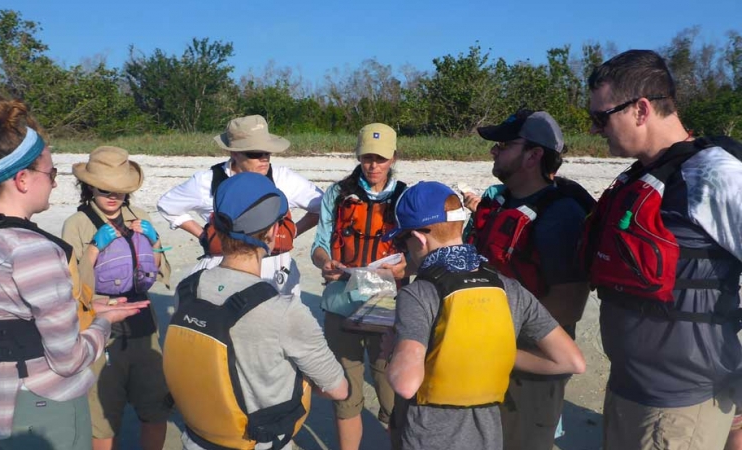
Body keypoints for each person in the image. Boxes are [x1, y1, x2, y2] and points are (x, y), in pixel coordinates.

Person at [0, 96, 148, 449]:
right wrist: (103, 323)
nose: (54, 183)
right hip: (41, 408)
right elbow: (69, 359)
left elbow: (6, 321)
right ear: (22, 179)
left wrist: (91, 311)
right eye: (51, 173)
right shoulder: (32, 250)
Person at [580, 49, 742, 450]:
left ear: (641, 109)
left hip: (680, 404)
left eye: (601, 118)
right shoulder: (642, 175)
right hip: (629, 388)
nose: (596, 130)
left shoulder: (714, 175)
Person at [384, 181, 586, 450]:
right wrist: (497, 352)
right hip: (487, 435)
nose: (403, 248)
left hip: (428, 436)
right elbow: (572, 361)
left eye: (401, 240)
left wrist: (391, 352)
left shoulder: (418, 294)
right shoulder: (509, 287)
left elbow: (406, 384)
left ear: (419, 238)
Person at [163, 172, 348, 450]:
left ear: (215, 225)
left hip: (198, 439)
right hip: (259, 441)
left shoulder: (188, 288)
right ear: (274, 233)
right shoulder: (284, 310)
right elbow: (337, 389)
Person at [463, 109, 593, 450]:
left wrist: (497, 334)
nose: (494, 151)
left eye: (504, 145)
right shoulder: (503, 202)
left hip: (530, 365)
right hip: (489, 352)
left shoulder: (560, 215)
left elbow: (569, 305)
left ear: (533, 155)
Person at [62, 146, 172, 450]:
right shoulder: (77, 224)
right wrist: (95, 249)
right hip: (99, 327)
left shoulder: (141, 217)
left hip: (143, 326)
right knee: (103, 414)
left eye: (120, 191)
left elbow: (159, 270)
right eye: (104, 189)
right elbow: (72, 287)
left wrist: (156, 241)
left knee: (155, 407)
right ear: (89, 187)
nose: (112, 196)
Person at [310, 123, 406, 449]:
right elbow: (320, 245)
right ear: (358, 156)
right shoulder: (336, 195)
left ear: (393, 157)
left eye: (380, 158)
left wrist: (407, 266)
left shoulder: (406, 197)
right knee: (346, 394)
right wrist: (325, 261)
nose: (373, 165)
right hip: (340, 304)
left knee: (391, 391)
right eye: (367, 157)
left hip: (388, 309)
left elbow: (420, 252)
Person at [157, 115, 322, 298]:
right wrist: (203, 236)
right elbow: (167, 206)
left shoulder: (284, 178)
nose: (264, 159)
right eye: (255, 153)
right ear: (234, 154)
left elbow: (323, 207)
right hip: (222, 266)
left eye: (267, 153)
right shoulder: (206, 181)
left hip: (274, 267)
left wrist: (292, 232)